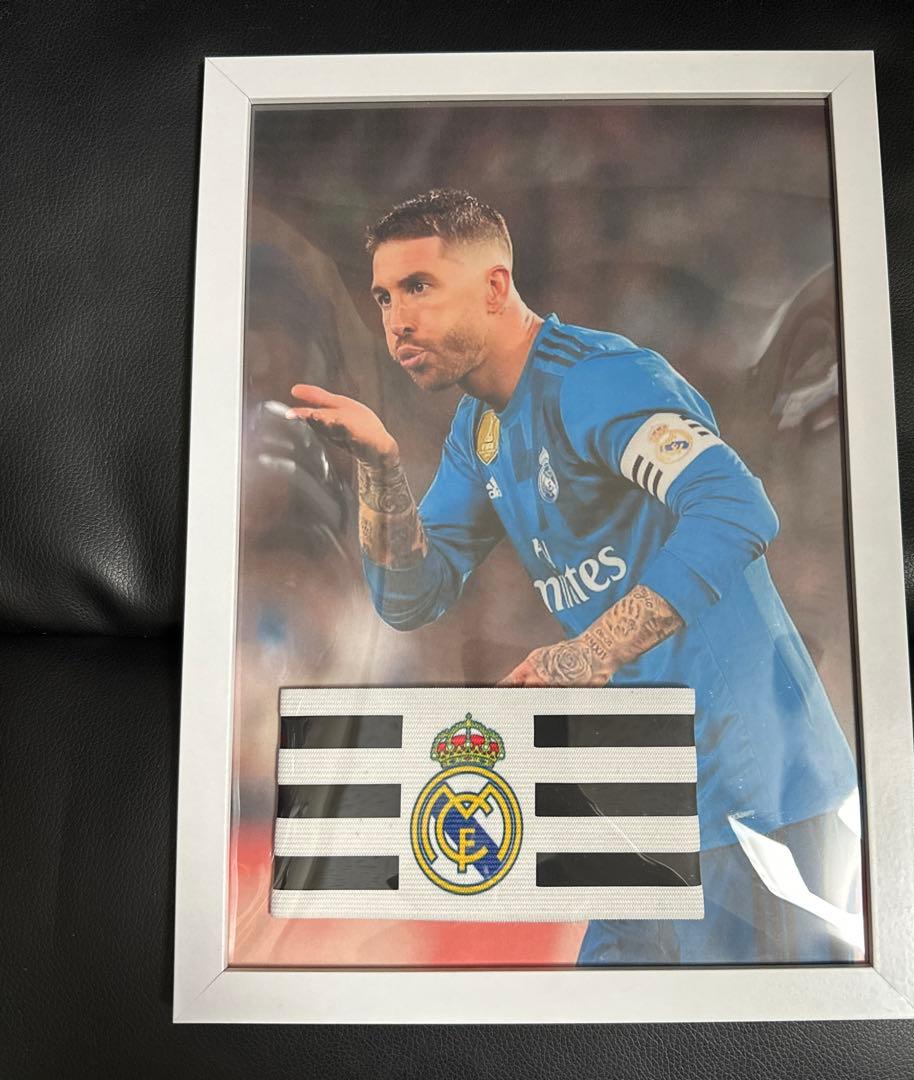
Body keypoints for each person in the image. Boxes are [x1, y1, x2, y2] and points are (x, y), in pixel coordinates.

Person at [287, 189, 861, 964]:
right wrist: (380, 468)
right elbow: (412, 595)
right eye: (385, 296)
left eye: (419, 286)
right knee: (605, 1014)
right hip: (638, 791)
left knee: (744, 1026)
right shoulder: (479, 430)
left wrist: (590, 652)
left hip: (751, 791)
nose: (397, 319)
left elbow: (735, 509)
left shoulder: (598, 380)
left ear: (495, 287)